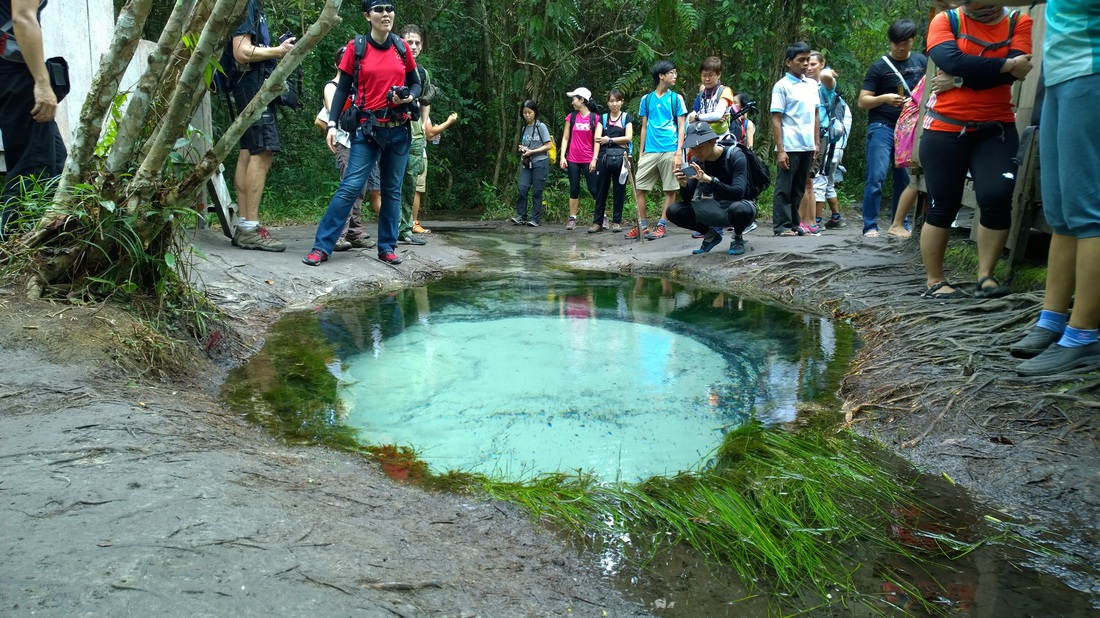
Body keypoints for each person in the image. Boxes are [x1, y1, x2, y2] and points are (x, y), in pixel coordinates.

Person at [917, 4, 1033, 300]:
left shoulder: (1018, 21)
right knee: (944, 202)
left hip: (996, 129)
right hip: (945, 127)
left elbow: (1016, 72)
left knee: (996, 197)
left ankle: (985, 277)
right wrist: (1003, 65)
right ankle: (935, 281)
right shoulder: (947, 20)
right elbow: (951, 60)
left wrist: (959, 80)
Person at [303, 0, 421, 266]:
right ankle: (322, 246)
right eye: (379, 9)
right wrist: (332, 125)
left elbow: (415, 83)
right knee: (350, 187)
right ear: (368, 16)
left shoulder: (401, 48)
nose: (386, 14)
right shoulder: (358, 48)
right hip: (368, 131)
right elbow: (343, 88)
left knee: (392, 191)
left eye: (390, 8)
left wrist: (408, 97)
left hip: (399, 130)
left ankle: (387, 248)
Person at [227, 0, 295, 251]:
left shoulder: (253, 6)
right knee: (263, 151)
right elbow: (242, 51)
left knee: (249, 150)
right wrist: (279, 51)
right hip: (253, 85)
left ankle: (245, 225)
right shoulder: (246, 5)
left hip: (248, 85)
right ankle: (250, 228)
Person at [0, 0, 66, 241]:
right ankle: (14, 258)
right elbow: (23, 17)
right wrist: (42, 82)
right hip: (13, 72)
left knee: (57, 165)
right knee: (33, 171)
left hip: (9, 71)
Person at [857, 19, 927, 238]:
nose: (900, 47)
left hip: (910, 129)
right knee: (876, 176)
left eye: (904, 42)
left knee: (904, 179)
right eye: (896, 42)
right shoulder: (879, 66)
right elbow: (863, 101)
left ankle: (900, 223)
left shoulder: (921, 61)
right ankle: (870, 225)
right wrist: (884, 98)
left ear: (912, 41)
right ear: (890, 42)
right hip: (882, 126)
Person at [397, 24, 457, 243]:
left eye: (417, 43)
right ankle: (389, 229)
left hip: (414, 136)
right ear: (400, 41)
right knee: (390, 183)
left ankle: (404, 229)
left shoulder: (421, 72)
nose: (413, 46)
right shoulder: (390, 64)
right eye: (409, 42)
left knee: (411, 183)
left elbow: (426, 100)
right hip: (390, 132)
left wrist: (423, 124)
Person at [666, 122, 757, 256]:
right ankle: (710, 236)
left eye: (700, 147)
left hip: (742, 206)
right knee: (674, 211)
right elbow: (687, 199)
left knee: (738, 209)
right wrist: (684, 184)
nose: (697, 152)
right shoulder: (697, 161)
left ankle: (737, 237)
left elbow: (738, 193)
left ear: (713, 141)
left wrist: (711, 180)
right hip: (717, 208)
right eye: (693, 148)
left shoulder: (735, 155)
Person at [317, 47, 375, 252]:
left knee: (361, 188)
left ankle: (354, 231)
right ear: (337, 64)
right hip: (345, 141)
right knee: (349, 187)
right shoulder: (333, 87)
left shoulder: (357, 85)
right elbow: (335, 114)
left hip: (362, 142)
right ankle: (338, 234)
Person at [630, 60, 687, 240]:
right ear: (661, 76)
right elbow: (644, 127)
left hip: (670, 148)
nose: (675, 76)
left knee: (670, 189)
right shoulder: (646, 100)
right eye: (672, 73)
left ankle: (662, 225)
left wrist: (679, 152)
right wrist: (641, 153)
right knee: (639, 188)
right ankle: (642, 226)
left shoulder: (676, 98)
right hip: (650, 150)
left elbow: (681, 126)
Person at [770, 42, 819, 237]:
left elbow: (816, 114)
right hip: (790, 143)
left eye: (808, 60)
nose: (806, 64)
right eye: (801, 60)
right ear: (789, 62)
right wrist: (781, 149)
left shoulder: (812, 84)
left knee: (799, 187)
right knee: (784, 187)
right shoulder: (781, 86)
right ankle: (781, 226)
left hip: (807, 143)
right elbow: (776, 118)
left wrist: (816, 142)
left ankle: (794, 222)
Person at [811, 54, 853, 231]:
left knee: (818, 181)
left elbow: (828, 78)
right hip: (835, 145)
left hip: (829, 144)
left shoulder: (825, 89)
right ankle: (836, 218)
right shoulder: (812, 88)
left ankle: (816, 221)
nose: (809, 67)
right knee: (827, 182)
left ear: (822, 64)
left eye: (813, 64)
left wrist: (826, 72)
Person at [558, 87, 600, 231]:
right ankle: (572, 218)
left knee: (594, 189)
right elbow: (565, 137)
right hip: (573, 159)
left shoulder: (595, 118)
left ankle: (602, 217)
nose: (572, 102)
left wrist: (594, 159)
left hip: (589, 159)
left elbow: (597, 141)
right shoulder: (572, 117)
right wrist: (562, 156)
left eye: (574, 99)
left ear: (582, 100)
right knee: (574, 188)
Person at [591, 89, 632, 233]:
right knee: (601, 189)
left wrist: (609, 140)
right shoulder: (603, 118)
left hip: (622, 158)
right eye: (611, 101)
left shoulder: (626, 117)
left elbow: (628, 137)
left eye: (617, 100)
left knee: (619, 190)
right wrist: (594, 159)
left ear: (622, 102)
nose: (614, 104)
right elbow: (597, 139)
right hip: (603, 157)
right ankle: (597, 222)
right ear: (608, 103)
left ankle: (617, 221)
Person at [511, 99, 551, 227]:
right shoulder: (524, 128)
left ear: (534, 112)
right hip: (527, 163)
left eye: (529, 112)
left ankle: (535, 219)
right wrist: (522, 148)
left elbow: (548, 146)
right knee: (522, 188)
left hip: (540, 162)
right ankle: (522, 216)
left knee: (537, 191)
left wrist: (532, 151)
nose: (527, 115)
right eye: (525, 113)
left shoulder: (541, 127)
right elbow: (525, 144)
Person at [687, 56, 738, 144]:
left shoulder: (725, 91)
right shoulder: (701, 95)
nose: (707, 79)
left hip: (722, 140)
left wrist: (698, 117)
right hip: (703, 141)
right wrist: (710, 118)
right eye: (704, 75)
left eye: (710, 75)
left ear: (719, 75)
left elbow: (718, 115)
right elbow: (690, 118)